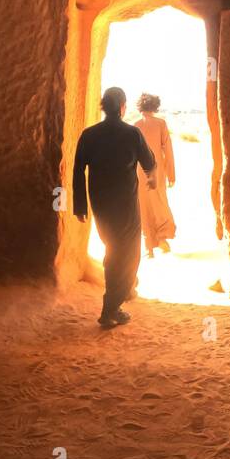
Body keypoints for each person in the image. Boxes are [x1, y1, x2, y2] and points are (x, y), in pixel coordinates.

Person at [73, 86, 156, 328]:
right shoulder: (132, 134)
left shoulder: (89, 135)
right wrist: (152, 177)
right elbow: (149, 162)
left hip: (100, 203)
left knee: (113, 249)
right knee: (128, 253)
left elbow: (78, 170)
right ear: (122, 107)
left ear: (103, 106)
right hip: (126, 204)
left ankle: (121, 294)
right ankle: (111, 307)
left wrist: (80, 205)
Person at [134, 93, 177, 256]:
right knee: (159, 203)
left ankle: (149, 247)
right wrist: (171, 174)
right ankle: (162, 238)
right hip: (157, 172)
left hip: (139, 172)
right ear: (155, 106)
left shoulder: (135, 126)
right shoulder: (161, 124)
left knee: (143, 207)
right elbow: (168, 151)